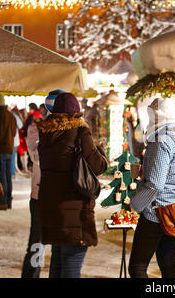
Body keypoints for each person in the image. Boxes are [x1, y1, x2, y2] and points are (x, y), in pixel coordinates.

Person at [36, 92, 107, 278]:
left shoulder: (45, 136)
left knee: (58, 263)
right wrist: (100, 150)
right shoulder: (80, 132)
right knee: (71, 266)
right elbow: (98, 166)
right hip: (74, 211)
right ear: (76, 113)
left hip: (51, 208)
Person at [129, 98, 175, 278]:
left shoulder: (161, 141)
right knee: (167, 264)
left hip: (155, 214)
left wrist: (136, 204)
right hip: (172, 212)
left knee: (137, 267)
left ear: (157, 116)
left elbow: (155, 184)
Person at [21, 89, 63, 278]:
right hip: (40, 195)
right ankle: (32, 274)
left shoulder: (70, 129)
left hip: (62, 195)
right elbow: (38, 156)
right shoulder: (36, 128)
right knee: (37, 241)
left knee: (61, 244)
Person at [0, 94, 17, 210]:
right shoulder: (11, 115)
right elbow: (14, 132)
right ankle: (9, 201)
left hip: (1, 149)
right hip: (10, 149)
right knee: (8, 176)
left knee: (2, 177)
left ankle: (3, 201)